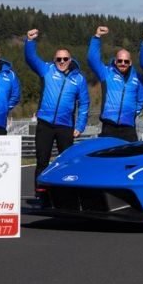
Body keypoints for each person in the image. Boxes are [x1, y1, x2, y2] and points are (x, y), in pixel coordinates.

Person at [25, 29, 90, 205]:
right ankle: (41, 195)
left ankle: (66, 195)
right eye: (58, 59)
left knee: (67, 162)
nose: (62, 62)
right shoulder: (46, 70)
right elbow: (31, 59)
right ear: (54, 60)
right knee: (42, 160)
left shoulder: (79, 79)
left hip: (65, 126)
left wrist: (80, 126)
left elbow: (84, 103)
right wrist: (30, 41)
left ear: (71, 60)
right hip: (45, 123)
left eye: (65, 59)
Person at [87, 25, 143, 142]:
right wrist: (97, 37)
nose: (122, 63)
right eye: (120, 61)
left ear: (130, 63)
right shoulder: (107, 73)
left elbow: (142, 98)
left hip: (128, 126)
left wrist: (134, 112)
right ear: (115, 61)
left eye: (126, 61)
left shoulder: (138, 77)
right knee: (108, 157)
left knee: (129, 157)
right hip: (109, 125)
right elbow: (92, 59)